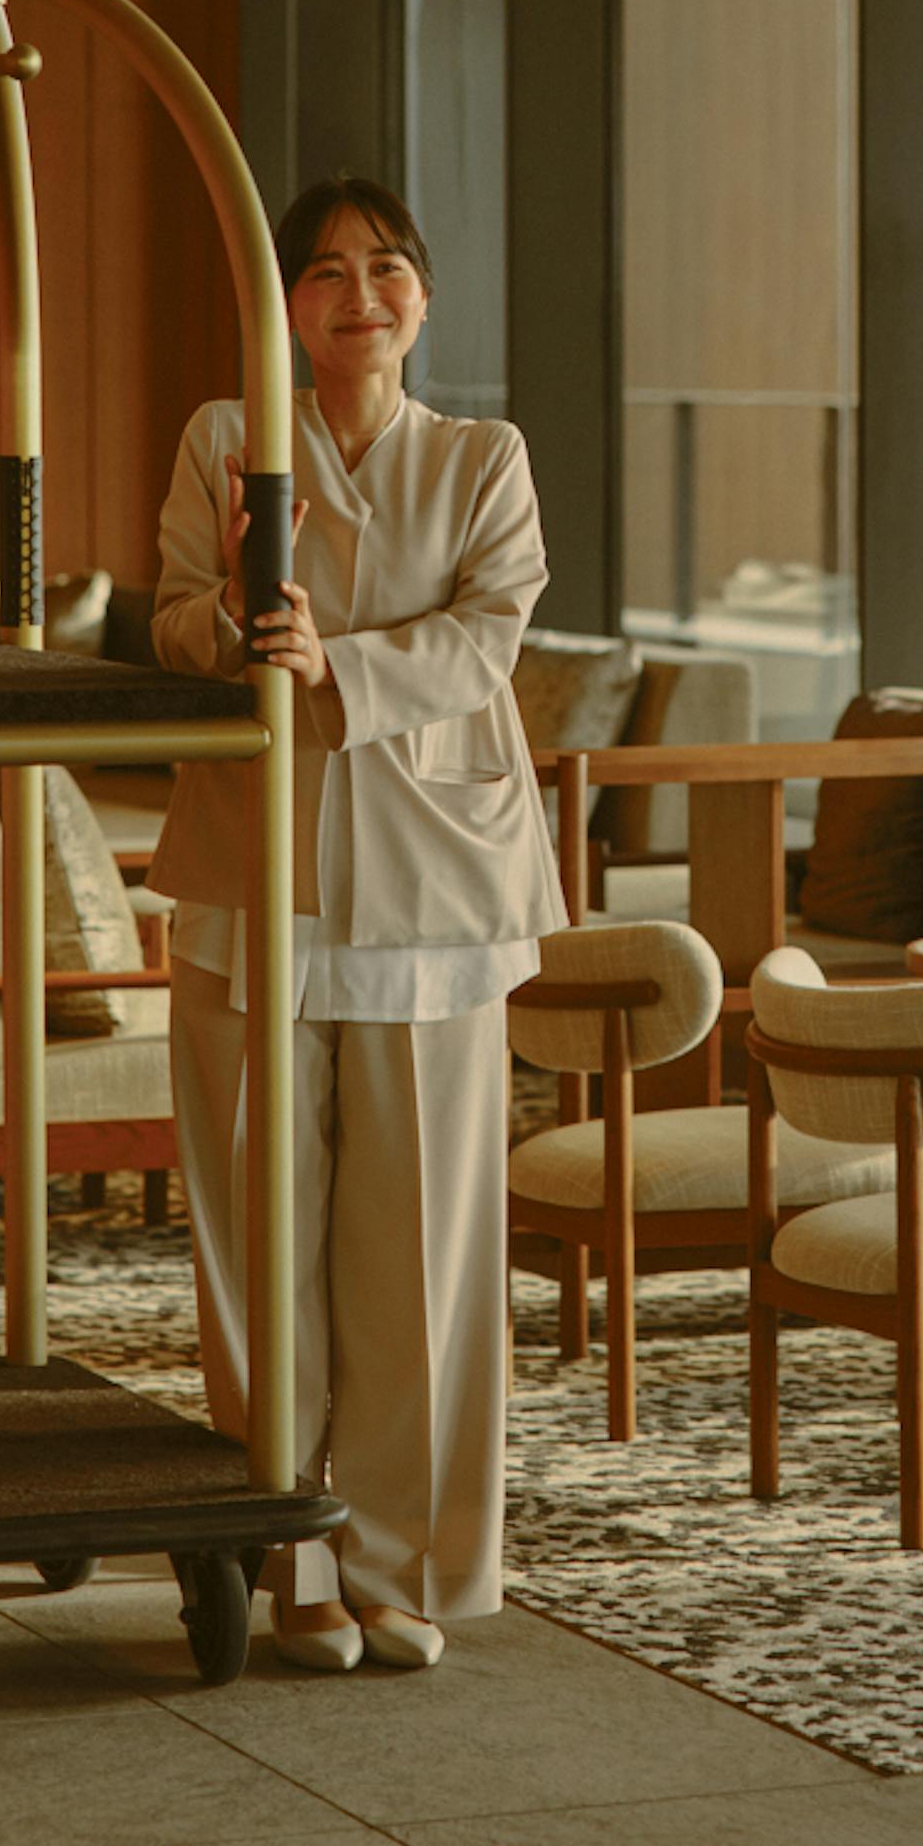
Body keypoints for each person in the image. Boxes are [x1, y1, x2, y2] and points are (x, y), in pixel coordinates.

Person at [149, 172, 564, 1671]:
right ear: (284, 305)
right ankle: (286, 1556)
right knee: (263, 1243)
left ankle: (405, 1571)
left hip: (437, 891)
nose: (359, 296)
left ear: (424, 299)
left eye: (387, 269)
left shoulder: (482, 457)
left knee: (424, 1252)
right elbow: (173, 611)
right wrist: (242, 634)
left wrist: (339, 665)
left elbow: (491, 632)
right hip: (254, 886)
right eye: (325, 274)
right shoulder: (225, 439)